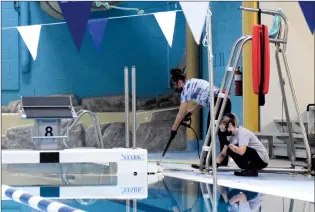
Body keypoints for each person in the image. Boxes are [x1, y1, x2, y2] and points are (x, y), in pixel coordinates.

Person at [169, 68, 232, 166]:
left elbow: (180, 113)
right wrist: (190, 113)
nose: (177, 89)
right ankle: (223, 161)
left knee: (210, 133)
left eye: (176, 86)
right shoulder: (193, 82)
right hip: (225, 101)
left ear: (180, 82)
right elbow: (201, 102)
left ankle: (206, 161)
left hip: (217, 102)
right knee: (222, 133)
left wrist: (173, 129)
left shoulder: (185, 90)